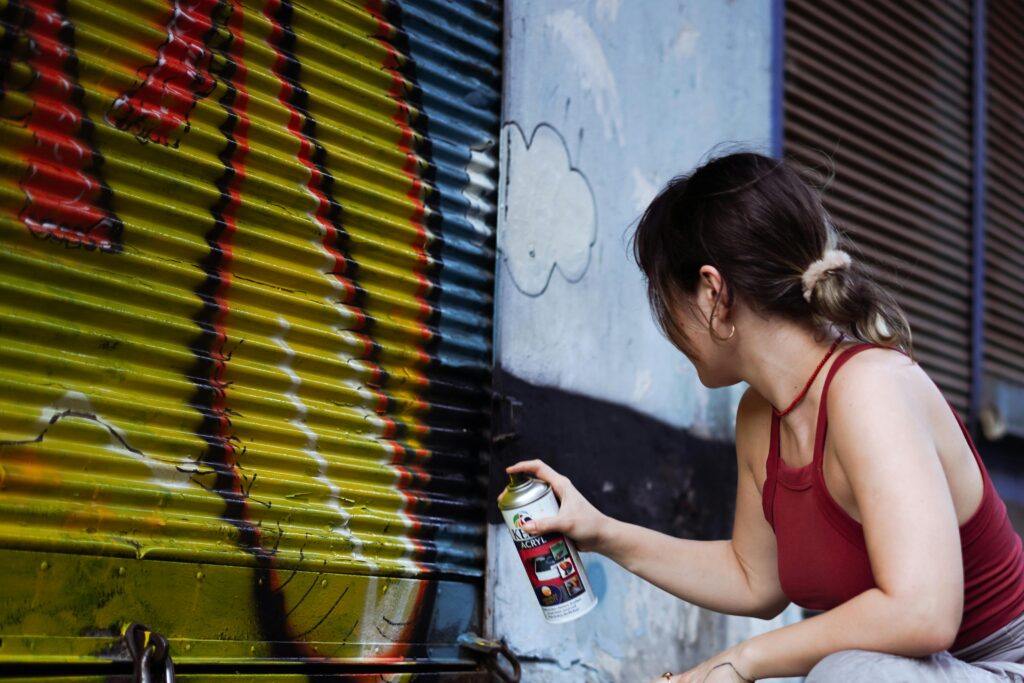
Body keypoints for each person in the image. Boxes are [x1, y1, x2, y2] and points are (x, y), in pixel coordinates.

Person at [503, 152, 1024, 682]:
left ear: (712, 292)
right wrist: (603, 533)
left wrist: (740, 661)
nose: (668, 327)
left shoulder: (871, 389)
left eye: (667, 301)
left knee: (845, 675)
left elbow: (924, 611)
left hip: (999, 666)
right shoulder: (761, 414)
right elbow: (754, 579)